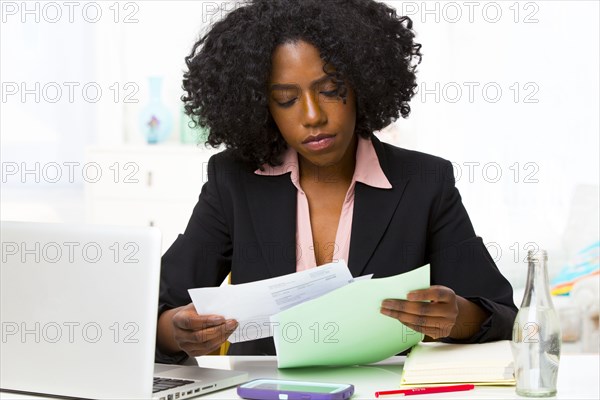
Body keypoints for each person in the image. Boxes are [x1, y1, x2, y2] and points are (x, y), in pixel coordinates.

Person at [156, 0, 517, 364]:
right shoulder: (233, 182)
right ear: (262, 106)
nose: (312, 116)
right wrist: (178, 331)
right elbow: (157, 310)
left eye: (330, 90)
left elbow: (500, 313)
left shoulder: (425, 183)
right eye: (286, 99)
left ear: (363, 83)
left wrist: (455, 317)